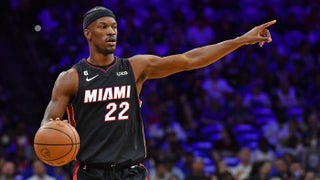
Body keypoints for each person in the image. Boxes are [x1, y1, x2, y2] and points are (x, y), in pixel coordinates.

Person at [39, 6, 276, 180]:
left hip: (131, 170)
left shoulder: (135, 67)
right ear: (88, 33)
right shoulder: (71, 78)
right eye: (103, 27)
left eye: (114, 27)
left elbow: (189, 60)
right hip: (92, 172)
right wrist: (52, 141)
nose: (111, 32)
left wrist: (240, 40)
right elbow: (47, 127)